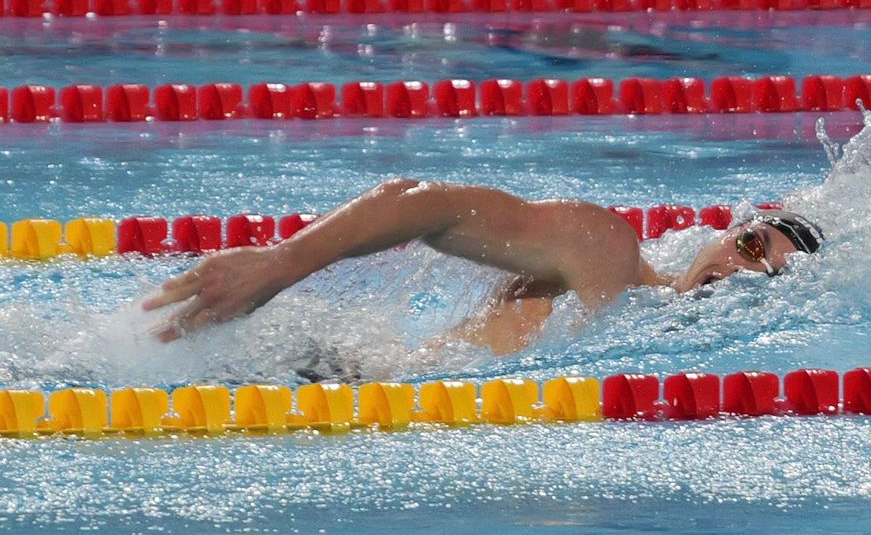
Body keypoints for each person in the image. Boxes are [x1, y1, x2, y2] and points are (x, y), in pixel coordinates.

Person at [143, 179, 823, 354]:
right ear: (723, 235)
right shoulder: (605, 252)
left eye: (768, 276)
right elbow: (428, 205)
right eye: (752, 246)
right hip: (330, 376)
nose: (740, 273)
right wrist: (281, 263)